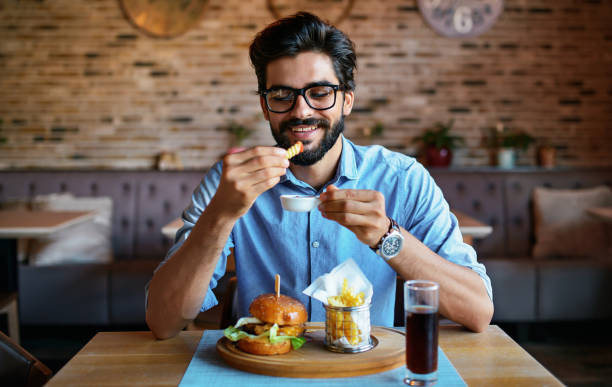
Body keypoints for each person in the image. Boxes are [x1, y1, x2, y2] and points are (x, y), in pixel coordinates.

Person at [146, 12, 493, 339]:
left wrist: (388, 237)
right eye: (282, 95)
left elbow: (478, 311)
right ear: (265, 107)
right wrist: (220, 216)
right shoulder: (230, 183)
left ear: (347, 101)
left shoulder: (403, 179)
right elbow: (163, 322)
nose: (301, 111)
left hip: (366, 369)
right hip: (262, 370)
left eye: (320, 93)